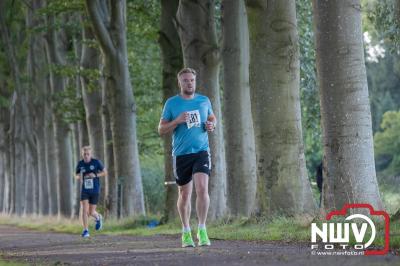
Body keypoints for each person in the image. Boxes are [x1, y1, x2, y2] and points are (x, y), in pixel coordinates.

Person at [158, 67, 216, 248]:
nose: (189, 83)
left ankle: (202, 229)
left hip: (201, 151)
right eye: (185, 80)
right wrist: (177, 121)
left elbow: (213, 118)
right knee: (184, 194)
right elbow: (161, 129)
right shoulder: (172, 103)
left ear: (195, 81)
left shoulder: (204, 100)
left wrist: (211, 125)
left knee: (202, 188)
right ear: (179, 82)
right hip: (181, 154)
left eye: (191, 80)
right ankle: (185, 231)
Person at [75, 146, 107, 238]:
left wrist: (95, 175)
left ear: (90, 154)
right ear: (82, 154)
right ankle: (86, 231)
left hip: (95, 190)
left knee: (91, 212)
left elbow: (105, 172)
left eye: (88, 154)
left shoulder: (96, 162)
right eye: (84, 154)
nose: (86, 156)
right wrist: (79, 177)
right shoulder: (80, 164)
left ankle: (98, 217)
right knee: (85, 210)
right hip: (85, 190)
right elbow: (76, 175)